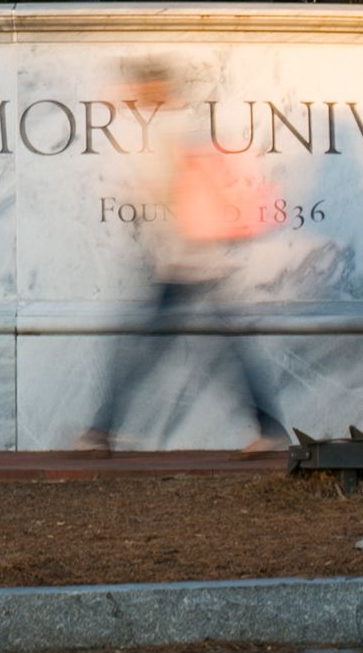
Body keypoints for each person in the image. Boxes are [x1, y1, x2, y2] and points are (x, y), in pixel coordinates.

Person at [78, 60, 291, 456]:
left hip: (189, 262)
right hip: (188, 261)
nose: (137, 93)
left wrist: (136, 186)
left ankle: (100, 430)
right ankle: (270, 428)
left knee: (142, 349)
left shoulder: (175, 128)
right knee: (218, 349)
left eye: (143, 85)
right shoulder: (179, 126)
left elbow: (166, 187)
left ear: (157, 87)